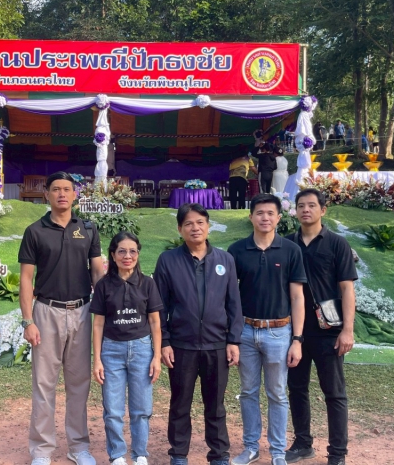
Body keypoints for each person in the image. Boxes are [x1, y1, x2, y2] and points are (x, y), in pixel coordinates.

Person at [18, 171, 105, 465]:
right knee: (44, 384)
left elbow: (98, 273)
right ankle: (42, 450)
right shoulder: (35, 231)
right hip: (46, 312)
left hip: (82, 312)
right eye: (56, 189)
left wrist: (104, 312)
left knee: (79, 383)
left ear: (75, 194)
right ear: (47, 194)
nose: (62, 194)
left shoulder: (88, 228)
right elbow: (26, 279)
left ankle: (78, 447)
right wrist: (28, 320)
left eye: (67, 189)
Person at [154, 203, 243, 465]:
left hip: (217, 345)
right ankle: (179, 454)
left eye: (200, 222)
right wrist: (165, 342)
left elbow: (234, 303)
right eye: (189, 223)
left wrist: (233, 340)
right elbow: (159, 306)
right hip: (182, 345)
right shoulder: (168, 260)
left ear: (208, 226)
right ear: (180, 229)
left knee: (216, 405)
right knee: (180, 403)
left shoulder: (225, 260)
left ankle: (219, 455)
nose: (195, 228)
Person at [228, 194, 307, 465]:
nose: (265, 218)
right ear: (250, 216)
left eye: (270, 213)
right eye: (259, 213)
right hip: (246, 332)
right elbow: (229, 297)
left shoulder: (291, 250)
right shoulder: (236, 250)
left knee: (277, 394)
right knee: (248, 392)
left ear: (279, 217)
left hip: (279, 332)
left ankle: (277, 453)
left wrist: (297, 339)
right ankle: (251, 447)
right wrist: (232, 337)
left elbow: (297, 297)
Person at [285, 189, 357, 465]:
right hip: (296, 332)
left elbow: (347, 289)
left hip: (329, 331)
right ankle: (303, 444)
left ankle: (337, 453)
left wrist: (347, 330)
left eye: (312, 205)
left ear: (323, 210)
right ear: (295, 210)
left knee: (334, 393)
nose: (306, 210)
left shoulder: (337, 244)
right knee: (297, 388)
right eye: (301, 205)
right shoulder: (288, 244)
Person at [91, 231, 163, 465]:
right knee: (113, 409)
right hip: (111, 351)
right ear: (113, 255)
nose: (127, 256)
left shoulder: (147, 284)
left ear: (138, 254)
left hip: (141, 350)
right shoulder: (104, 285)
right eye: (121, 251)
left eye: (133, 251)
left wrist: (156, 357)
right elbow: (98, 324)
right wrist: (97, 359)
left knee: (141, 408)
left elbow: (155, 322)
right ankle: (117, 455)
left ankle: (140, 454)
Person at [229, 145, 257, 210]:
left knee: (233, 194)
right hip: (241, 177)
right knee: (241, 193)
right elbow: (253, 168)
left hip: (232, 178)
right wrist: (259, 174)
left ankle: (233, 208)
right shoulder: (248, 159)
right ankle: (241, 207)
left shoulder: (234, 160)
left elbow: (230, 169)